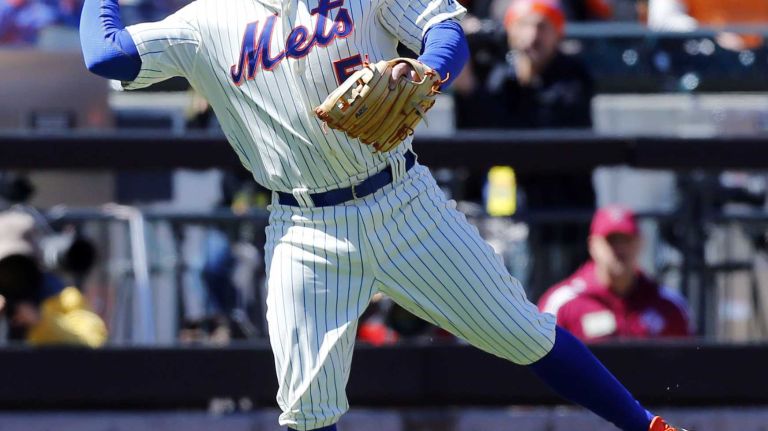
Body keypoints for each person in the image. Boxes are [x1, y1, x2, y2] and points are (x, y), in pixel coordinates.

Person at [79, 1, 687, 430]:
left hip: (403, 202)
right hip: (304, 227)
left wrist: (428, 71)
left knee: (523, 332)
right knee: (306, 410)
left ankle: (646, 427)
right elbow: (107, 55)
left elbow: (445, 30)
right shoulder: (205, 21)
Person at [539, 206, 692, 341]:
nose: (620, 249)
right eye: (611, 241)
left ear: (640, 243)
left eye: (626, 240)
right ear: (592, 245)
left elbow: (687, 360)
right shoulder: (564, 303)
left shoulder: (668, 304)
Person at [0, 211, 107, 347]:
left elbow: (93, 341)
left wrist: (41, 322)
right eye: (5, 266)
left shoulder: (61, 296)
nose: (12, 275)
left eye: (20, 264)